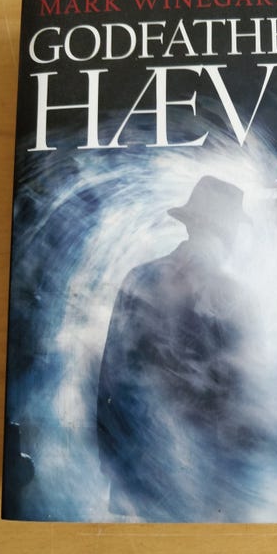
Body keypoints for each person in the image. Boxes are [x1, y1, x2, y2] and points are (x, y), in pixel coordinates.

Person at [97, 176, 260, 521]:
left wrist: (112, 459)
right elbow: (245, 400)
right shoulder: (238, 297)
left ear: (190, 225)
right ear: (229, 233)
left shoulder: (139, 279)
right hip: (205, 481)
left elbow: (111, 379)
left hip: (140, 469)